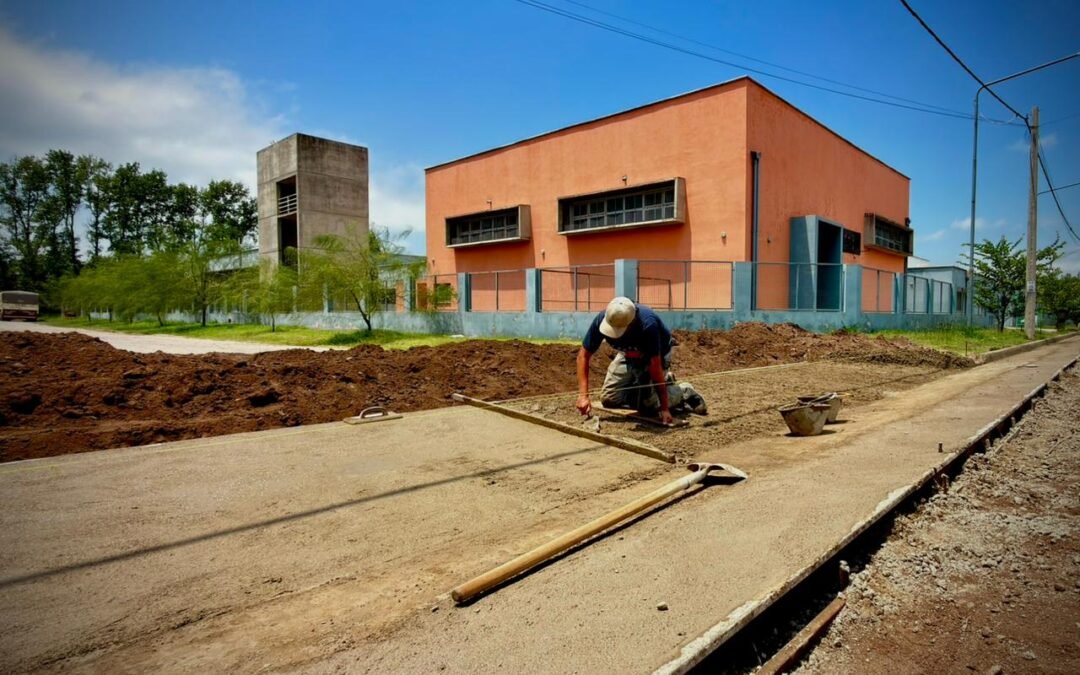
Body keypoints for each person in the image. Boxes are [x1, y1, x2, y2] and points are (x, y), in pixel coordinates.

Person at [576, 297, 706, 425]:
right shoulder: (606, 318)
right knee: (609, 399)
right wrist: (583, 395)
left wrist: (664, 408)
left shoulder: (648, 325)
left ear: (631, 323)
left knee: (648, 406)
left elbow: (655, 367)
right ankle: (648, 389)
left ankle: (683, 391)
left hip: (653, 356)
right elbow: (583, 356)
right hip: (627, 353)